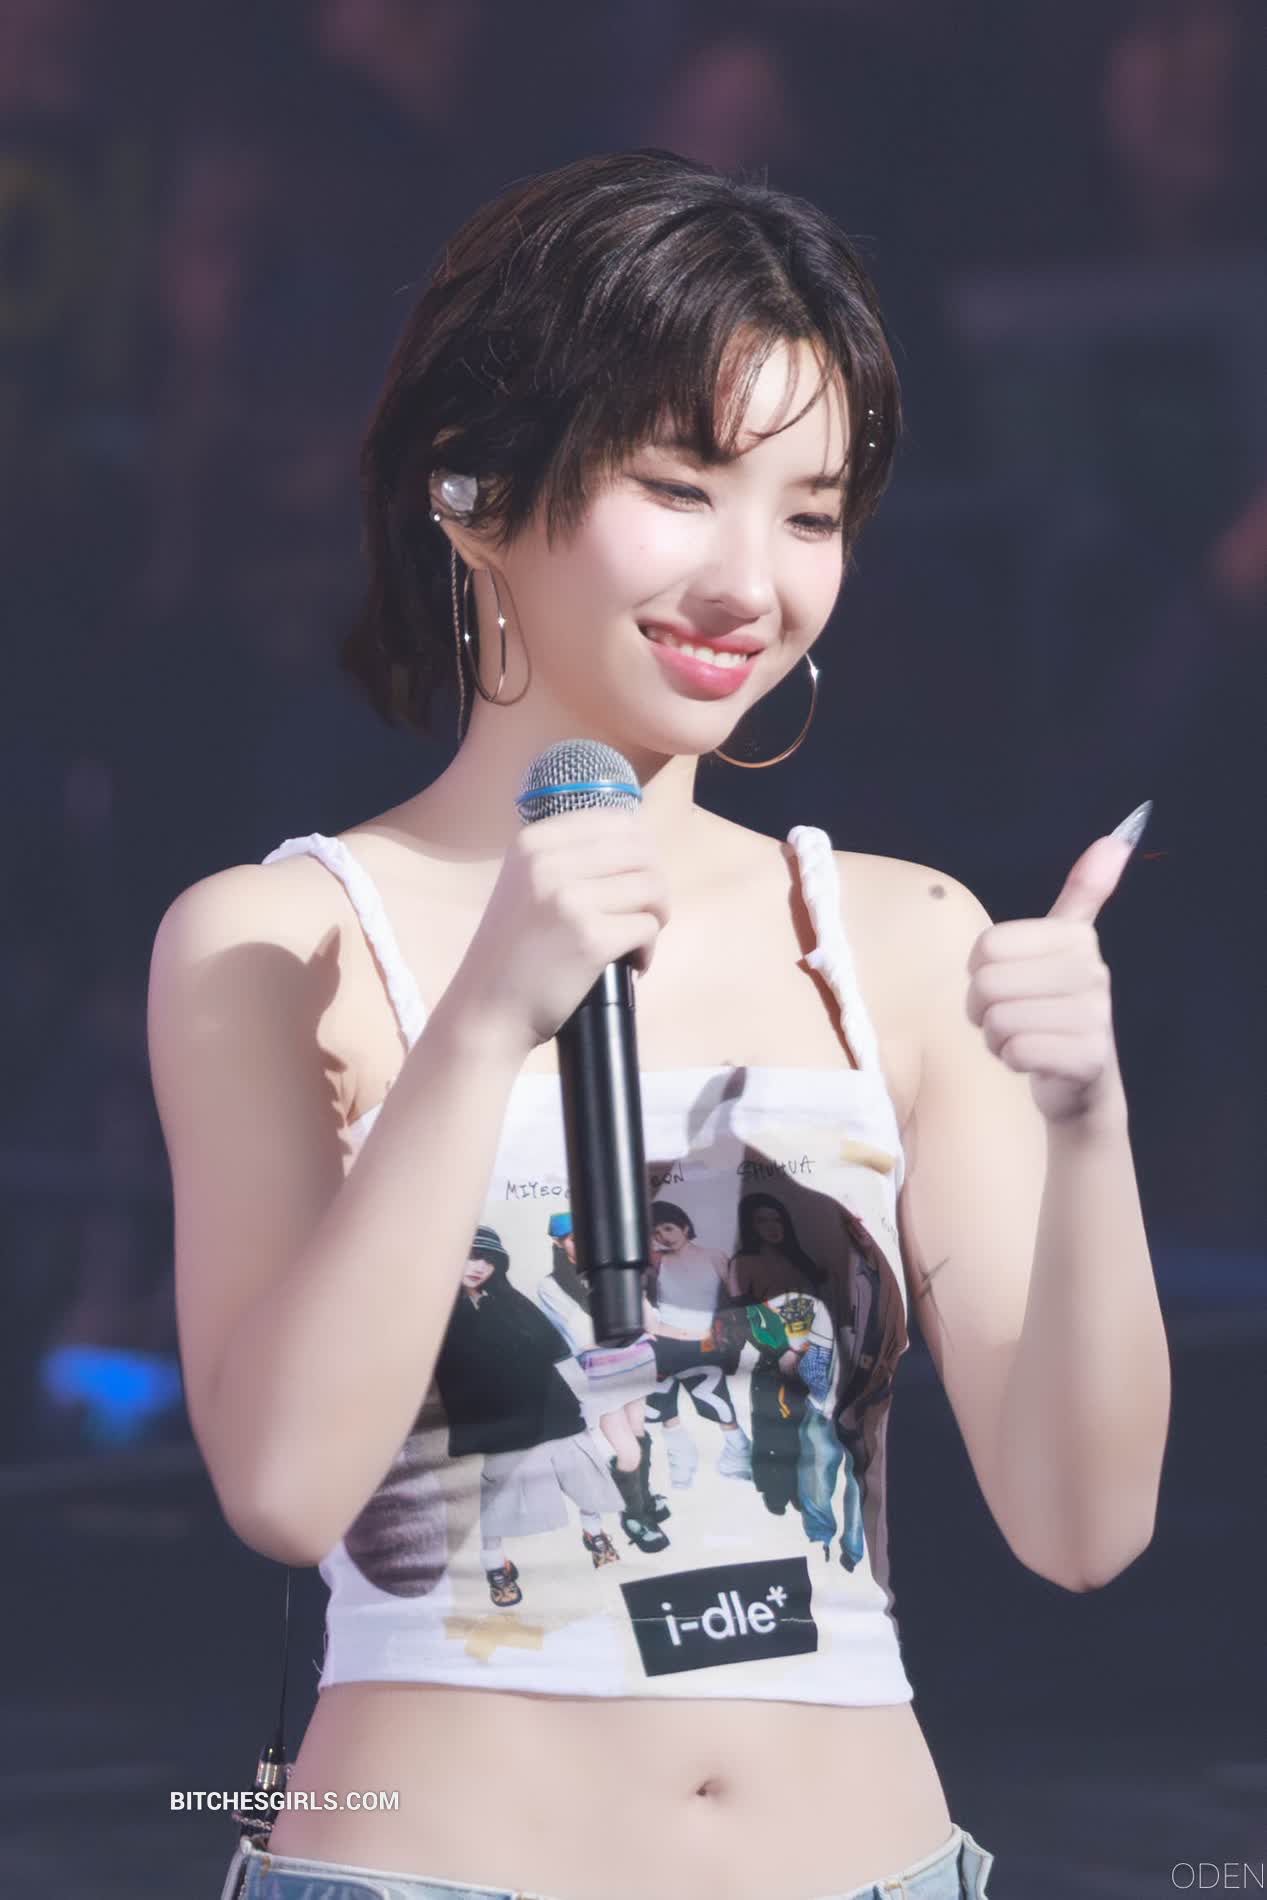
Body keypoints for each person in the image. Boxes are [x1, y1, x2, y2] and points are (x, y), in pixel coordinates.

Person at [144, 147, 1069, 1900]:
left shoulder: (899, 937)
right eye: (680, 485)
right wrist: (487, 1019)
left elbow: (1080, 1519)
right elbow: (280, 1484)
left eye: (811, 514)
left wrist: (1090, 1130)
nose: (751, 580)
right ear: (473, 491)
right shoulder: (275, 942)